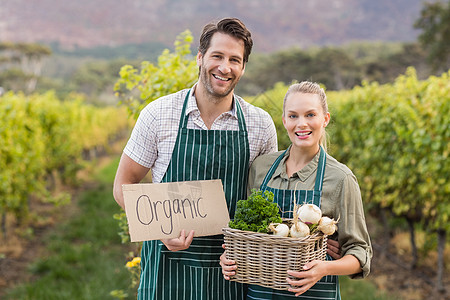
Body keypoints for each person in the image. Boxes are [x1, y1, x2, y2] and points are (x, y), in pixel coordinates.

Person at [113, 17, 278, 300]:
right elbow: (123, 185)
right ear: (200, 58)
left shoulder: (259, 124)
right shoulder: (158, 114)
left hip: (232, 271)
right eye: (217, 56)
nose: (225, 67)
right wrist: (160, 230)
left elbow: (270, 198)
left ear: (243, 67)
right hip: (167, 268)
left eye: (234, 60)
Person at [220, 81, 372, 299]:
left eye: (310, 115)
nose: (301, 124)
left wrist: (325, 268)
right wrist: (230, 257)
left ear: (325, 119)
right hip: (260, 294)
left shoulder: (340, 178)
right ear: (284, 121)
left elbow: (361, 253)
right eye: (293, 116)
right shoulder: (261, 168)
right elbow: (248, 233)